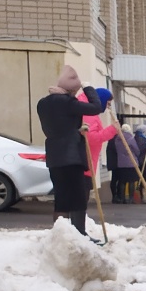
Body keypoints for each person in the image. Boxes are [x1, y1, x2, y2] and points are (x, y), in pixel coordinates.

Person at [35, 65, 109, 235]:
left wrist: (73, 129)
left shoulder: (43, 103)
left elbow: (58, 124)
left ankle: (60, 236)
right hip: (71, 157)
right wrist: (88, 88)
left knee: (61, 199)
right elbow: (96, 107)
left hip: (54, 156)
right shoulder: (69, 103)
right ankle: (79, 236)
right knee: (77, 199)